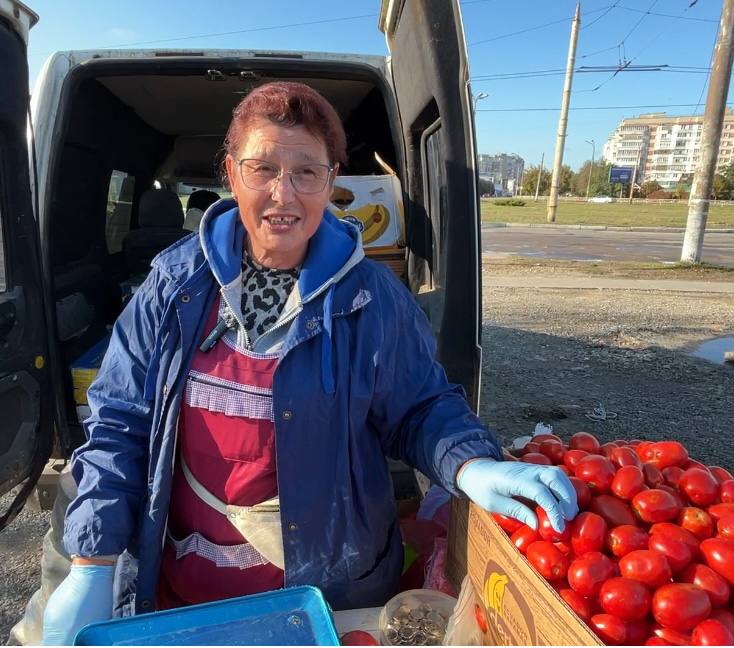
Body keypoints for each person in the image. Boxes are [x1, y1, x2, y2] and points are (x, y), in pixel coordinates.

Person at [41, 82, 577, 644]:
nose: (283, 195)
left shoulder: (370, 297)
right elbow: (121, 418)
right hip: (184, 591)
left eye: (306, 173)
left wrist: (470, 465)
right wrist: (93, 562)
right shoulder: (175, 285)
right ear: (231, 172)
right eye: (263, 168)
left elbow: (421, 407)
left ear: (331, 182)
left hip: (327, 597)